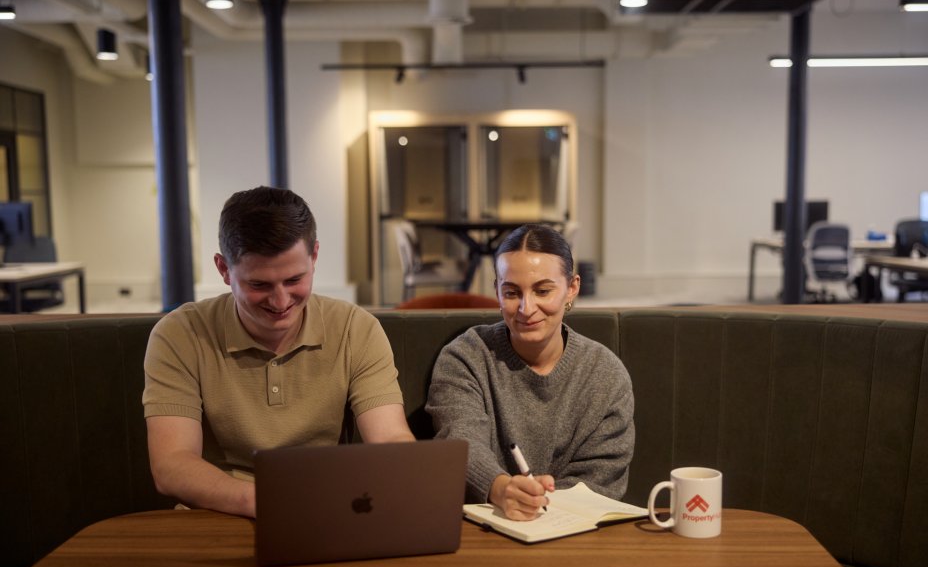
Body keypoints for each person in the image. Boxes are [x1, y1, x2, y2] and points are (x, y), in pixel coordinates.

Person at [143, 186, 414, 518]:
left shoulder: (356, 328)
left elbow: (388, 437)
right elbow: (172, 464)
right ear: (224, 269)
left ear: (314, 257)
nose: (281, 301)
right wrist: (263, 501)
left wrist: (405, 476)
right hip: (216, 513)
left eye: (294, 279)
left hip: (328, 509)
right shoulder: (180, 334)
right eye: (259, 285)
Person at [426, 224, 635, 521]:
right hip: (482, 529)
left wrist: (535, 504)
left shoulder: (606, 374)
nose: (526, 308)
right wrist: (500, 488)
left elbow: (602, 476)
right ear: (496, 290)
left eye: (543, 291)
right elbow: (459, 441)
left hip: (576, 533)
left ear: (571, 288)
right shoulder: (466, 356)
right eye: (511, 292)